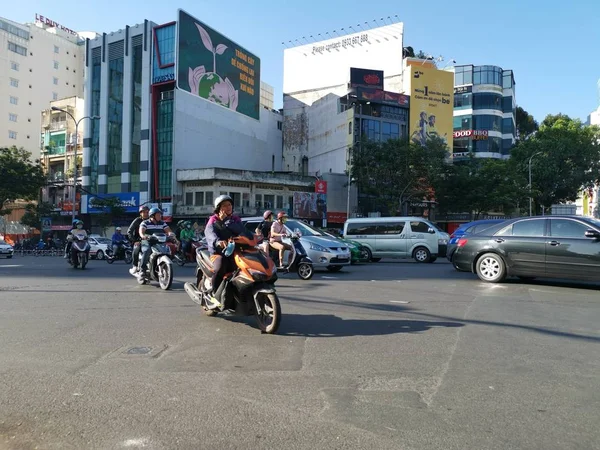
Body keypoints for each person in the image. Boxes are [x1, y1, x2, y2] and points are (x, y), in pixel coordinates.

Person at [204, 195, 246, 306]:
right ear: (218, 208)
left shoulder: (235, 219)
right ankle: (214, 294)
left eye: (229, 204)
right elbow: (210, 235)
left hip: (236, 251)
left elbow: (241, 231)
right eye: (224, 205)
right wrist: (217, 242)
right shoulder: (213, 220)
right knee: (221, 264)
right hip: (218, 253)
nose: (228, 207)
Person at [137, 207, 177, 275]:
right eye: (158, 215)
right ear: (152, 215)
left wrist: (173, 237)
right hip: (147, 241)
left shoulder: (162, 223)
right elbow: (141, 232)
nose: (160, 216)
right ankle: (142, 269)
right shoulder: (145, 223)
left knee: (168, 249)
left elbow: (169, 231)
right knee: (147, 250)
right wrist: (143, 236)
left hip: (159, 241)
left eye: (160, 215)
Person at [127, 205, 150, 275]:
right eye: (144, 212)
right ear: (140, 213)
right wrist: (134, 241)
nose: (146, 214)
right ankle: (135, 266)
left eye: (147, 212)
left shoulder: (151, 220)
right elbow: (129, 231)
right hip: (139, 240)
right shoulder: (137, 220)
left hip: (151, 239)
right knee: (136, 248)